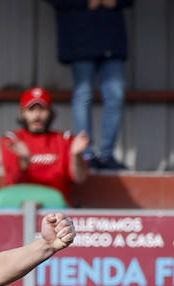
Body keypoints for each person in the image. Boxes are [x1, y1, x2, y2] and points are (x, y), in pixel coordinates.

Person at [46, 0, 131, 170]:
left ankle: (107, 155)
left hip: (111, 38)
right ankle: (86, 154)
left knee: (116, 94)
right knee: (83, 93)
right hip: (79, 36)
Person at [0, 86, 90, 200]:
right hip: (21, 207)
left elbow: (80, 178)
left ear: (50, 112)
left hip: (56, 210)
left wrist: (76, 156)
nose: (37, 116)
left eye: (42, 109)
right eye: (31, 109)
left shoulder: (64, 139)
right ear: (23, 113)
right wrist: (24, 159)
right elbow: (13, 182)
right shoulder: (12, 140)